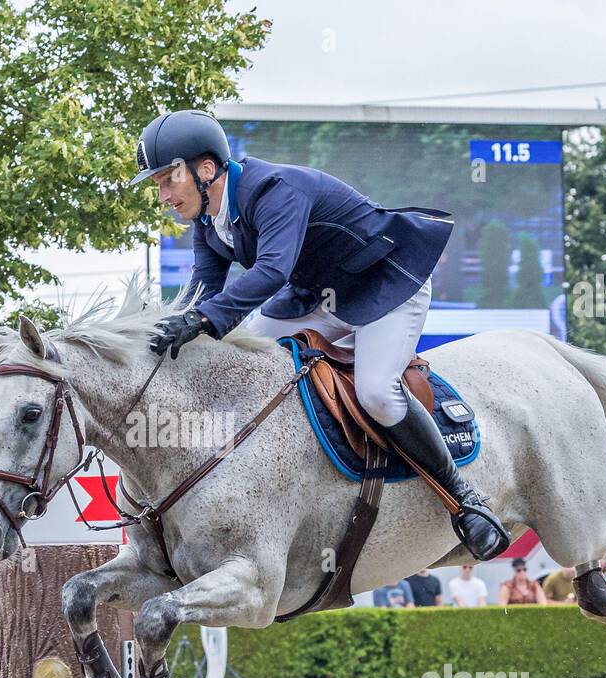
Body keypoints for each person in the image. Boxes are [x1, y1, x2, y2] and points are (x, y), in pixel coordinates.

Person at [131, 110, 508, 562]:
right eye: (157, 185)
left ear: (205, 169)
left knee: (377, 393)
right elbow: (204, 290)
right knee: (245, 353)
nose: (162, 195)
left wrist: (204, 320)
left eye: (167, 180)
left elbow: (272, 270)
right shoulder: (208, 221)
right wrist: (168, 332)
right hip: (319, 298)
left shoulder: (274, 190)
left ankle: (466, 500)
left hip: (383, 287)